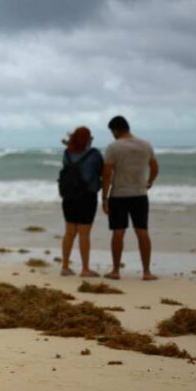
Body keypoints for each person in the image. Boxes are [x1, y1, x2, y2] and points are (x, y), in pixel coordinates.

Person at [101, 116, 159, 281]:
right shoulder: (145, 144)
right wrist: (149, 182)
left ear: (116, 130)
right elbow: (154, 168)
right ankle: (147, 272)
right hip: (140, 194)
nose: (112, 134)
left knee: (118, 232)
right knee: (142, 231)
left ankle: (115, 271)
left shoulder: (114, 147)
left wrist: (104, 197)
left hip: (119, 194)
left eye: (112, 131)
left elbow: (107, 174)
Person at [58, 126, 103, 277]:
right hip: (87, 197)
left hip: (69, 197)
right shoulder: (94, 154)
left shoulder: (67, 153)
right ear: (87, 139)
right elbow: (101, 171)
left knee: (69, 232)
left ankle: (65, 267)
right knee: (84, 233)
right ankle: (85, 269)